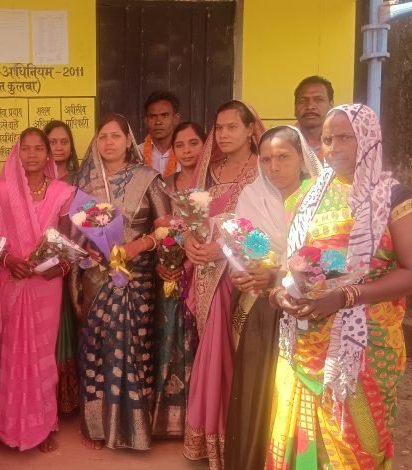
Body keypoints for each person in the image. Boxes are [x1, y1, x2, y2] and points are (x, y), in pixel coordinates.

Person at [267, 104, 412, 469]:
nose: (333, 147)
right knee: (300, 436)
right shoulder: (306, 196)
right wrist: (281, 292)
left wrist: (346, 296)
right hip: (303, 340)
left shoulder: (394, 197)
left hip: (364, 345)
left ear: (368, 138)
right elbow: (293, 262)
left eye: (344, 137)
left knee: (356, 444)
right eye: (326, 139)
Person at [224, 126, 322, 470]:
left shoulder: (320, 200)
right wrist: (244, 271)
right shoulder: (253, 196)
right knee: (257, 388)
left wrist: (278, 275)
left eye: (283, 157)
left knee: (299, 396)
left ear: (302, 158)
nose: (273, 166)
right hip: (261, 310)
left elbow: (326, 257)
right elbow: (244, 250)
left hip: (309, 310)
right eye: (266, 159)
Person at [72, 114, 169, 451]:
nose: (109, 142)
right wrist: (87, 249)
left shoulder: (148, 178)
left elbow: (167, 227)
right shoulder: (86, 183)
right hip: (96, 276)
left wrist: (139, 245)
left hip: (136, 278)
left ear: (129, 141)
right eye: (103, 136)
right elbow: (75, 234)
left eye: (116, 136)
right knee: (96, 347)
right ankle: (98, 427)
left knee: (134, 348)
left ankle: (134, 430)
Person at [182, 100, 265, 468]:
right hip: (205, 273)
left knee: (234, 352)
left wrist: (223, 249)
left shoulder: (263, 169)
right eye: (219, 127)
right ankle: (210, 437)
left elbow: (268, 227)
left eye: (233, 127)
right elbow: (192, 218)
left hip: (240, 276)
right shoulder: (208, 172)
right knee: (211, 351)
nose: (224, 134)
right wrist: (190, 242)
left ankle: (235, 436)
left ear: (250, 130)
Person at [0, 127, 74, 453]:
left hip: (45, 285)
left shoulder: (62, 192)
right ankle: (10, 424)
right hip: (12, 281)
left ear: (48, 154)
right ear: (17, 152)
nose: (33, 154)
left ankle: (43, 424)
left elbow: (70, 241)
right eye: (26, 148)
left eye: (39, 148)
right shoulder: (3, 191)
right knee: (13, 355)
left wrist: (60, 267)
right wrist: (8, 260)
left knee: (42, 354)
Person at [151, 121, 206, 440]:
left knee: (197, 343)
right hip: (167, 276)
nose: (187, 150)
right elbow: (157, 229)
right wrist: (164, 263)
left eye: (193, 143)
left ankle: (195, 421)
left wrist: (186, 265)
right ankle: (166, 421)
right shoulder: (164, 185)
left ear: (204, 145)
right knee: (167, 339)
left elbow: (212, 230)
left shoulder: (211, 184)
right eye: (180, 145)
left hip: (202, 274)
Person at [43, 119, 80, 416]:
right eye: (52, 142)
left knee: (72, 321)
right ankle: (47, 398)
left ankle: (69, 397)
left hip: (76, 261)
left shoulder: (81, 179)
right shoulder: (34, 179)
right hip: (43, 265)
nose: (58, 147)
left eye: (63, 141)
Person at [138, 91, 181, 178]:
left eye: (165, 115)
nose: (158, 122)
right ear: (146, 121)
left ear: (176, 119)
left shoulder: (186, 153)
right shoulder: (137, 154)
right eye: (152, 117)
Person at [294, 75, 334, 158]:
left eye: (318, 100)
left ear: (331, 105)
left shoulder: (344, 144)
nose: (310, 106)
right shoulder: (281, 144)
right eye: (303, 100)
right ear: (295, 108)